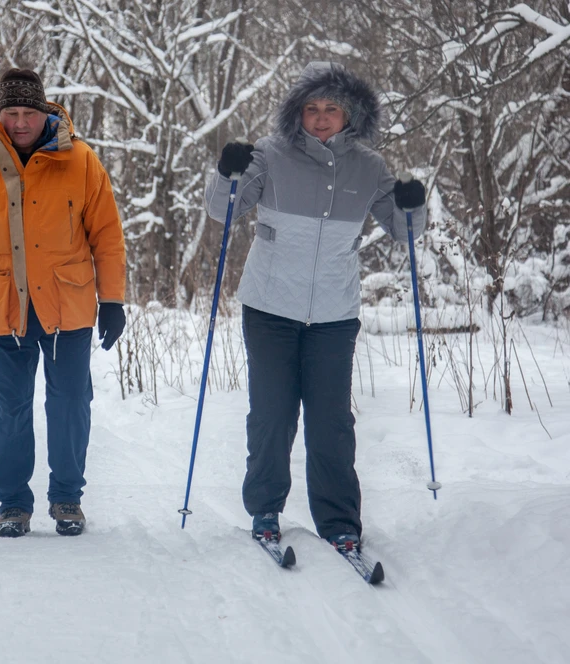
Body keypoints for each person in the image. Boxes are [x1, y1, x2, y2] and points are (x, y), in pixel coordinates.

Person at [204, 62, 427, 550]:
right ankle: (265, 509)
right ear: (297, 112)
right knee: (272, 414)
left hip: (334, 314)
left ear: (351, 114)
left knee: (332, 421)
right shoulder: (270, 155)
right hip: (269, 308)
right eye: (312, 108)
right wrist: (227, 173)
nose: (322, 118)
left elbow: (405, 229)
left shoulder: (368, 166)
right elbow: (223, 210)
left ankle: (340, 520)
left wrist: (413, 203)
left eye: (332, 108)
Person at [0, 68, 127, 538]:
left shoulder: (81, 161)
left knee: (69, 405)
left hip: (69, 307)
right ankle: (14, 506)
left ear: (46, 113)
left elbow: (107, 236)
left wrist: (114, 300)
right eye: (12, 114)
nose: (21, 123)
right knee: (10, 411)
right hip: (5, 309)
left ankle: (66, 499)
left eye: (29, 113)